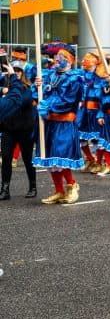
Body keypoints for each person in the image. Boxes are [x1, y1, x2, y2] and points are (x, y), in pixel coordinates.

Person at [34, 43, 84, 205]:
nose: (57, 59)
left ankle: (71, 185)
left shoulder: (75, 79)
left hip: (64, 123)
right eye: (57, 57)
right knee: (50, 157)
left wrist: (46, 106)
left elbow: (68, 101)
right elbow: (42, 95)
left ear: (70, 60)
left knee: (61, 155)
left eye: (62, 57)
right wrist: (39, 87)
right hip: (50, 122)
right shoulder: (50, 75)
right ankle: (59, 190)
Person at [0, 61, 36, 200]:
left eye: (18, 71)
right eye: (13, 71)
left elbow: (21, 101)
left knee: (27, 159)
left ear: (22, 73)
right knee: (6, 159)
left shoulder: (27, 88)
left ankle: (32, 186)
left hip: (24, 129)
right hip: (8, 128)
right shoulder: (6, 88)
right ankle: (5, 189)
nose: (15, 74)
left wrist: (9, 92)